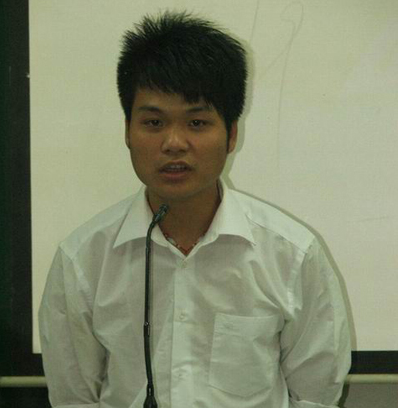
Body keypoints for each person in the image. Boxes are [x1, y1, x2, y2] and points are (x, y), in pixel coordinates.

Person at [39, 11, 351, 408]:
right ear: (127, 131)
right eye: (154, 123)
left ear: (232, 134)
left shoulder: (291, 254)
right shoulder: (83, 260)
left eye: (197, 123)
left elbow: (316, 396)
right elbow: (73, 399)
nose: (174, 143)